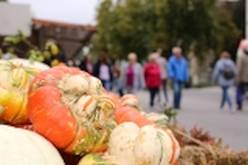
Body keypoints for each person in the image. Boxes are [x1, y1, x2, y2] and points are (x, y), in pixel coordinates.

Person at [236, 45, 248, 111]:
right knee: (243, 91)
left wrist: (237, 77)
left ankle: (239, 103)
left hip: (241, 77)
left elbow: (239, 68)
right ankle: (241, 99)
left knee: (239, 91)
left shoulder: (241, 57)